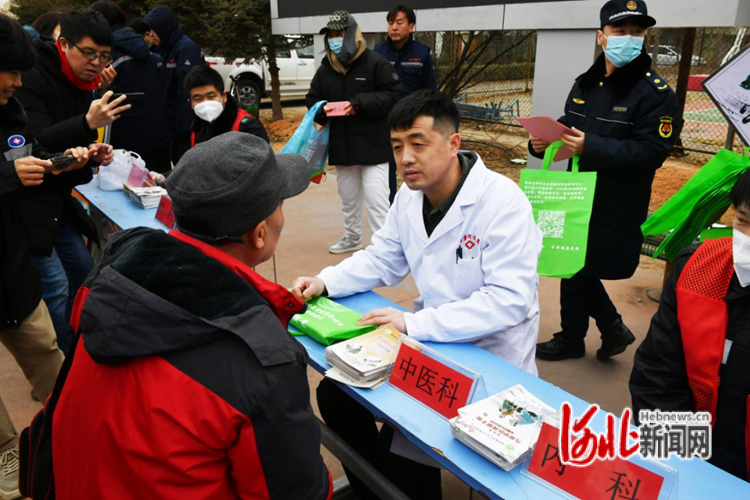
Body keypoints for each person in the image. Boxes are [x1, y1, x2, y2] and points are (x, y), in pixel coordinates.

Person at [52, 132, 332, 500]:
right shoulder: (261, 359)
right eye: (279, 204)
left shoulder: (112, 277)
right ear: (260, 234)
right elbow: (297, 491)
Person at [293, 90, 542, 500]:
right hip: (430, 341)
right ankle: (378, 489)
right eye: (396, 147)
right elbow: (382, 259)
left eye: (418, 144)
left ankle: (399, 483)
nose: (405, 158)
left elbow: (508, 301)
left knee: (413, 447)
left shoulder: (502, 202)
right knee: (335, 396)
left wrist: (414, 323)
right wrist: (325, 282)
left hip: (490, 353)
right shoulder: (409, 197)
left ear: (453, 143)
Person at [531, 0, 682, 361]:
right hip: (576, 193)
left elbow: (651, 153)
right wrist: (542, 141)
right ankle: (601, 331)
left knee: (579, 268)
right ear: (602, 36)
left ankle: (584, 335)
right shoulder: (587, 83)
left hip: (616, 202)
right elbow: (569, 125)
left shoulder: (655, 94)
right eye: (620, 30)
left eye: (637, 31)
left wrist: (591, 146)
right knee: (572, 263)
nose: (629, 38)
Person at [0, 14, 81, 500]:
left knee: (51, 361)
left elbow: (19, 163)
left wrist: (59, 166)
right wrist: (8, 176)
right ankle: (8, 459)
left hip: (14, 273)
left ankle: (77, 437)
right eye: (10, 71)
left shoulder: (10, 112)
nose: (17, 81)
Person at [630, 170, 750, 482]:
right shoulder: (697, 270)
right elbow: (658, 373)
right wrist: (683, 469)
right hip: (697, 452)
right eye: (744, 221)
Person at [15, 8, 122, 355]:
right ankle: (62, 368)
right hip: (24, 206)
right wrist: (86, 125)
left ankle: (80, 354)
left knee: (85, 274)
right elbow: (32, 145)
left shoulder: (82, 82)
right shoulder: (31, 76)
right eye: (89, 53)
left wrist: (91, 153)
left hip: (57, 203)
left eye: (104, 56)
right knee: (56, 288)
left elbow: (63, 149)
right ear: (63, 44)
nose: (96, 64)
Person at [306, 10, 404, 254]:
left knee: (377, 200)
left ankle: (384, 246)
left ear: (352, 34)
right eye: (330, 36)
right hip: (343, 147)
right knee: (348, 198)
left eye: (339, 34)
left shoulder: (375, 62)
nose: (334, 40)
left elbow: (395, 95)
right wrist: (322, 109)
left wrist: (359, 103)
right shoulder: (326, 68)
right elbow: (312, 99)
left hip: (373, 147)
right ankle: (352, 237)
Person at [90, 0, 171, 173]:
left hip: (122, 146)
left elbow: (98, 102)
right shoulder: (153, 57)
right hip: (158, 138)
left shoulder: (106, 58)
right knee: (158, 186)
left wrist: (100, 90)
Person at [374, 5, 437, 203]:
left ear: (411, 26)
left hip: (414, 123)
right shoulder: (377, 52)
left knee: (417, 166)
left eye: (399, 22)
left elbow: (430, 91)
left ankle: (422, 205)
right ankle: (392, 209)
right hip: (385, 122)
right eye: (390, 23)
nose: (394, 27)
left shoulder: (422, 53)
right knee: (387, 171)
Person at [143, 6, 204, 165]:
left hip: (184, 130)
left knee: (187, 168)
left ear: (162, 27)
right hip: (171, 128)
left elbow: (187, 91)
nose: (150, 35)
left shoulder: (186, 49)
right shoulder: (166, 50)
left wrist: (184, 129)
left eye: (153, 30)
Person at [185, 65, 269, 146]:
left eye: (211, 97)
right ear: (191, 103)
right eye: (198, 99)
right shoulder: (194, 129)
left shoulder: (247, 127)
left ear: (224, 96)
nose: (205, 103)